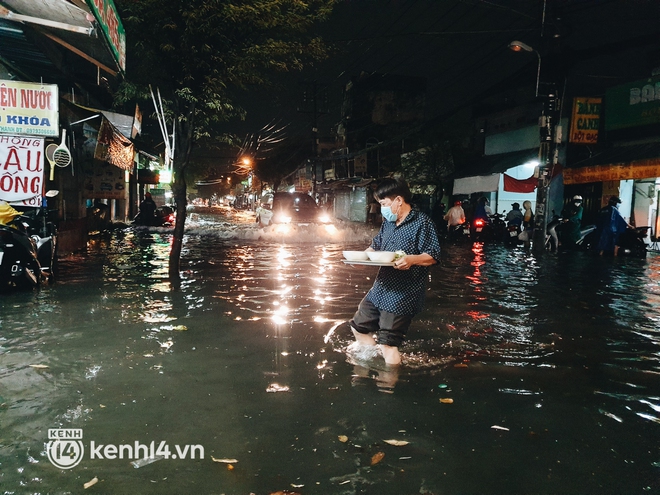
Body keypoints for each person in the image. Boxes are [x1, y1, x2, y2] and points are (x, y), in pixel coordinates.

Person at [349, 177, 441, 366]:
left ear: (398, 200)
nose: (382, 208)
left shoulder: (422, 223)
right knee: (358, 327)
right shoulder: (388, 223)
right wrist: (359, 259)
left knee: (388, 344)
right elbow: (374, 248)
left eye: (384, 203)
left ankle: (389, 388)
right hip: (380, 289)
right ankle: (371, 361)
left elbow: (433, 255)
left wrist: (411, 259)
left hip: (403, 293)